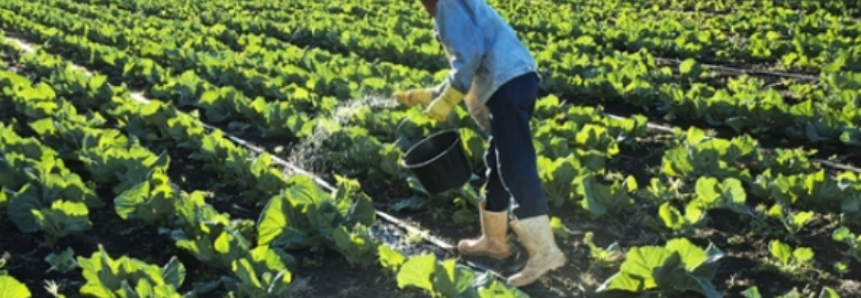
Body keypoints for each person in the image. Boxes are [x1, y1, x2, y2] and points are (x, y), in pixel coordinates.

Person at [392, 0, 567, 288]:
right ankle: (494, 241)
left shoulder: (447, 4)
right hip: (514, 80)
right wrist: (429, 94)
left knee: (515, 164)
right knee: (498, 161)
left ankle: (545, 252)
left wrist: (447, 100)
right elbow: (471, 61)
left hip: (506, 85)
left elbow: (469, 55)